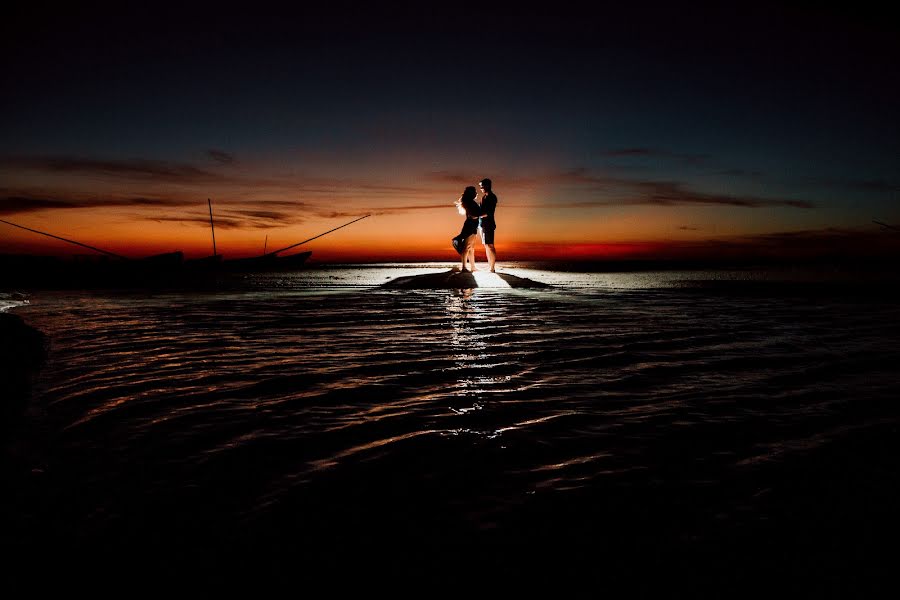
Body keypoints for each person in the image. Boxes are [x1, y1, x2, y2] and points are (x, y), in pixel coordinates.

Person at [452, 186, 480, 272]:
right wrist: (482, 215)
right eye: (475, 191)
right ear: (471, 193)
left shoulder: (469, 202)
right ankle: (464, 267)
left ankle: (473, 267)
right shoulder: (469, 203)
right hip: (470, 226)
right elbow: (472, 215)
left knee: (471, 248)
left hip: (472, 225)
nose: (476, 193)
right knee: (467, 247)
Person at [477, 178, 498, 272]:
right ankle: (490, 266)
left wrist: (477, 215)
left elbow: (489, 212)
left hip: (488, 224)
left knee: (490, 245)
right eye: (480, 186)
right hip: (482, 224)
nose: (481, 188)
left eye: (482, 186)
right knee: (486, 245)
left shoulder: (492, 197)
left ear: (487, 186)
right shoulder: (484, 197)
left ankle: (492, 267)